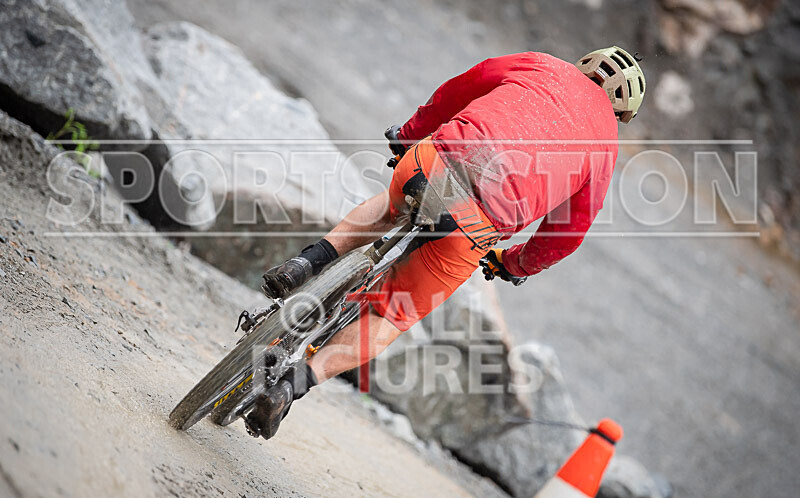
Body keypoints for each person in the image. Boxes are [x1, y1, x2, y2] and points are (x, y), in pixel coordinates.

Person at [254, 46, 646, 439]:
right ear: (620, 112)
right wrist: (513, 264)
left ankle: (304, 264)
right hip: (472, 227)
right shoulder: (605, 146)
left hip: (431, 165)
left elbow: (461, 88)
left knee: (390, 208)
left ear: (586, 63)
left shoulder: (541, 64)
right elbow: (567, 233)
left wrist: (409, 134)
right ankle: (293, 385)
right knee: (391, 314)